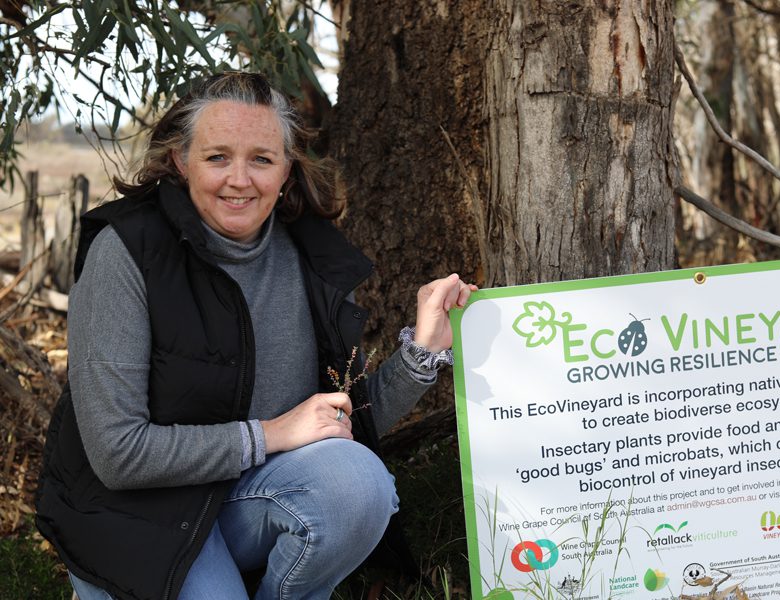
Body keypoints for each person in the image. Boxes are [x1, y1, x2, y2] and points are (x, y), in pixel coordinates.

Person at [36, 72, 476, 600]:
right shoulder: (125, 252)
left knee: (358, 482)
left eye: (262, 159)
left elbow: (336, 429)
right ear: (180, 161)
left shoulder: (309, 254)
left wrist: (420, 353)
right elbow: (117, 454)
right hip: (133, 512)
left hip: (243, 501)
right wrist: (269, 434)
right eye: (217, 157)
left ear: (287, 169)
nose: (239, 180)